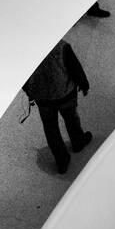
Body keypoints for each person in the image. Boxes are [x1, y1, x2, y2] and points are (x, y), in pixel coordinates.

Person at [23, 39, 92, 175]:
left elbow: (21, 75)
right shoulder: (61, 46)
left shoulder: (25, 49)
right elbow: (74, 68)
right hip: (65, 93)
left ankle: (62, 160)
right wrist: (84, 84)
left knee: (50, 128)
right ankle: (78, 141)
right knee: (71, 118)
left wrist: (29, 91)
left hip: (43, 98)